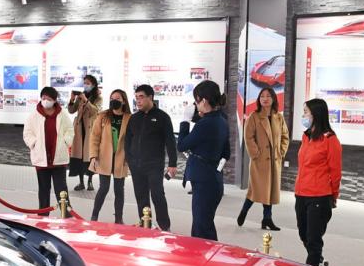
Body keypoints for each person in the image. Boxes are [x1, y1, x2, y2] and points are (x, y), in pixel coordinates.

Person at [178, 80, 231, 241]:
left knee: (201, 230)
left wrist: (185, 120)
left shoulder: (206, 124)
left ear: (204, 101)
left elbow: (182, 145)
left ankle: (207, 257)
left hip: (204, 181)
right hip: (213, 179)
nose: (195, 104)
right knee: (204, 226)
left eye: (196, 100)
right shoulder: (222, 120)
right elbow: (226, 153)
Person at [294, 98, 342, 266]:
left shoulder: (330, 140)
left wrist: (333, 196)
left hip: (319, 195)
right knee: (303, 233)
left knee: (314, 238)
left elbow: (335, 172)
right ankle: (318, 260)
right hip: (301, 193)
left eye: (306, 112)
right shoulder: (306, 136)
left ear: (316, 114)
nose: (303, 115)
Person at [123, 84, 177, 230]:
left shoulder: (162, 117)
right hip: (136, 165)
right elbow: (127, 140)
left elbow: (170, 141)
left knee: (157, 194)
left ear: (150, 97)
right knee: (141, 196)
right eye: (136, 98)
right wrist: (129, 159)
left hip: (154, 165)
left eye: (141, 97)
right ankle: (145, 224)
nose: (138, 101)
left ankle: (165, 227)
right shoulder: (134, 118)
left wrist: (172, 163)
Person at [238, 86, 290, 230]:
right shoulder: (254, 117)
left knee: (269, 191)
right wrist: (256, 154)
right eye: (262, 96)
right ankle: (244, 211)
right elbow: (248, 137)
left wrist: (281, 152)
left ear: (273, 98)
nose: (265, 99)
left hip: (274, 161)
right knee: (256, 189)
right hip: (259, 161)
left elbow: (285, 136)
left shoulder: (278, 117)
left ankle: (267, 219)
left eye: (268, 96)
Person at [23, 86, 74, 210]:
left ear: (55, 100)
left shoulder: (62, 114)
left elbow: (70, 130)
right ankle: (43, 215)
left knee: (61, 189)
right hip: (42, 158)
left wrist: (66, 142)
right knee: (44, 189)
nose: (46, 100)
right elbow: (27, 133)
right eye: (44, 98)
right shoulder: (34, 115)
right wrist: (34, 143)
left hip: (59, 158)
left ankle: (66, 214)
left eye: (49, 99)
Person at [88, 89, 131, 223]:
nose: (114, 101)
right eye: (112, 98)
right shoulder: (103, 116)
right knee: (104, 188)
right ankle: (94, 216)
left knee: (119, 190)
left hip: (121, 158)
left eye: (117, 99)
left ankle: (118, 219)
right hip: (104, 157)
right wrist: (93, 156)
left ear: (124, 101)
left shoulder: (129, 118)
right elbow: (94, 137)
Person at [68, 74, 102, 192]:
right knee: (79, 156)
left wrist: (86, 100)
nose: (85, 85)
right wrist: (72, 99)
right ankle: (81, 182)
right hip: (79, 129)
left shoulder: (98, 97)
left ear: (93, 84)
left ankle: (90, 182)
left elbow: (95, 111)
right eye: (84, 83)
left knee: (89, 156)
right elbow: (71, 110)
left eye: (88, 83)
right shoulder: (80, 96)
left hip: (90, 130)